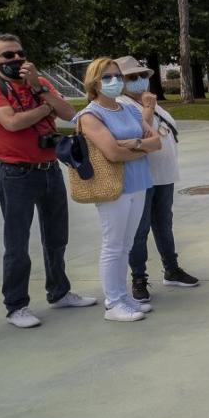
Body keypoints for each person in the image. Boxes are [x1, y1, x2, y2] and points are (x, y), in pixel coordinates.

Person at [0, 34, 96, 328]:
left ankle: (60, 291)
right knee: (17, 243)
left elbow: (70, 114)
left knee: (57, 237)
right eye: (7, 55)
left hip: (49, 168)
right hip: (15, 173)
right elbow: (12, 122)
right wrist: (46, 108)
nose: (15, 59)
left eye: (19, 53)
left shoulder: (40, 83)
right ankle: (16, 305)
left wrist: (38, 88)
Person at [76, 58, 161, 322]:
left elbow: (156, 142)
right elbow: (112, 153)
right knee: (113, 245)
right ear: (94, 83)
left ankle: (123, 297)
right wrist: (140, 148)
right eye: (106, 77)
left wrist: (133, 144)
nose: (114, 82)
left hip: (139, 182)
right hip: (114, 187)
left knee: (126, 244)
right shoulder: (90, 115)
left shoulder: (130, 110)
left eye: (117, 76)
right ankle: (113, 303)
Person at [115, 56, 200, 303]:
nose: (140, 81)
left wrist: (150, 106)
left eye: (142, 76)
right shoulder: (122, 105)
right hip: (142, 177)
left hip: (163, 176)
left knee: (163, 224)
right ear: (121, 82)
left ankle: (171, 268)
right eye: (132, 77)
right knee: (139, 230)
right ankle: (138, 278)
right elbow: (141, 132)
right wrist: (148, 109)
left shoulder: (148, 101)